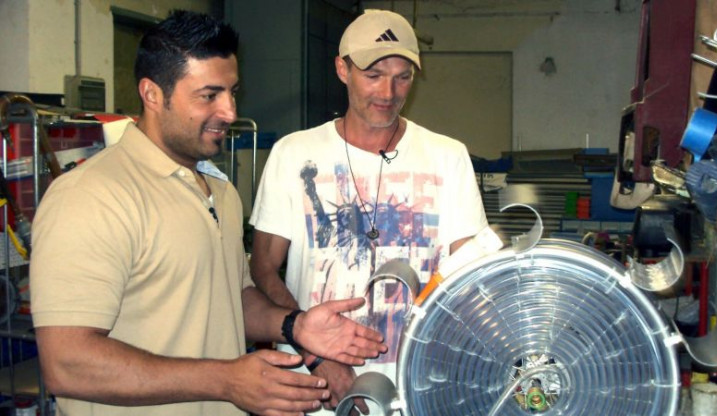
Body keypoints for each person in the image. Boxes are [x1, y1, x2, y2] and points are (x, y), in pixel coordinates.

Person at [29, 10, 387, 416]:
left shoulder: (220, 192)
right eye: (209, 95)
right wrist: (226, 380)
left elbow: (234, 298)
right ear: (152, 94)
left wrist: (294, 326)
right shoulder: (91, 197)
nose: (230, 111)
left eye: (232, 92)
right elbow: (67, 364)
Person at [249, 9, 490, 413]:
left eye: (402, 77)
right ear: (342, 69)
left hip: (420, 385)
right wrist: (317, 356)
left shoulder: (448, 157)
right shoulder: (293, 154)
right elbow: (263, 267)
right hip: (315, 386)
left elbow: (469, 276)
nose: (388, 92)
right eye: (373, 75)